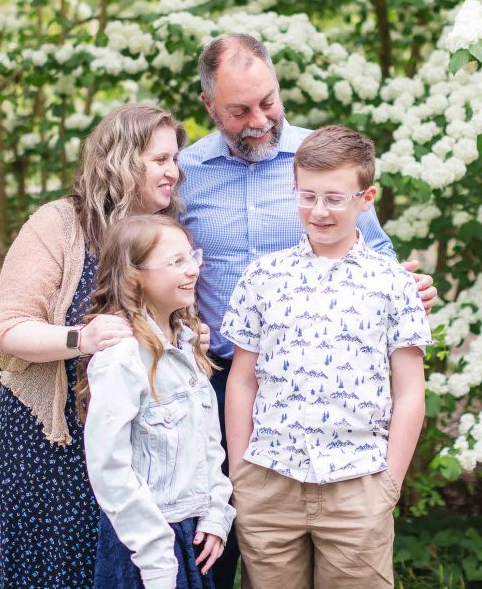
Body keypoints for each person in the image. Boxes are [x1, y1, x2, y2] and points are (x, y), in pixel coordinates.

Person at [177, 33, 438, 587]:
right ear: (208, 106)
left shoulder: (322, 161)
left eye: (267, 101)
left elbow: (376, 254)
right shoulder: (185, 173)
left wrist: (406, 291)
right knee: (217, 552)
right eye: (239, 110)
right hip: (216, 384)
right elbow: (152, 257)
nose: (259, 119)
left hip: (340, 416)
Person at [0, 104, 192, 588]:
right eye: (160, 160)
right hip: (49, 447)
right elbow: (9, 329)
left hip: (132, 454)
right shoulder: (58, 225)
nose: (173, 172)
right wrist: (81, 339)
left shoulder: (168, 233)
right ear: (122, 159)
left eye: (175, 159)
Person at [221, 126, 432, 588]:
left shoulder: (394, 284)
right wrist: (241, 472)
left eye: (334, 199)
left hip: (358, 484)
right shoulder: (263, 277)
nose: (318, 211)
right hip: (269, 480)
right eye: (307, 196)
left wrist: (388, 484)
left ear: (366, 197)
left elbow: (410, 390)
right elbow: (242, 379)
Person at [79, 215, 235, 589]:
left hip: (196, 537)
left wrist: (216, 515)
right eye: (176, 262)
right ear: (135, 276)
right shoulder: (122, 359)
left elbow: (209, 445)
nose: (193, 269)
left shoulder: (189, 345)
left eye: (192, 257)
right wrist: (155, 555)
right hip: (145, 544)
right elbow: (109, 468)